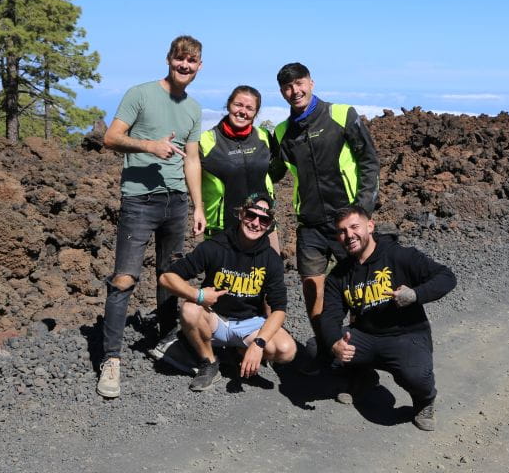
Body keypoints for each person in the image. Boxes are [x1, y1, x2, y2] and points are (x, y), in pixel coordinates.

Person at [97, 35, 206, 399]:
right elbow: (111, 138)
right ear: (169, 59)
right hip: (139, 200)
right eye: (180, 60)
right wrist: (150, 146)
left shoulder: (193, 108)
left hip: (176, 202)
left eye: (191, 62)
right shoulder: (140, 94)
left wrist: (198, 206)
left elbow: (192, 160)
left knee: (170, 276)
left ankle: (166, 342)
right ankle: (111, 359)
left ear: (199, 67)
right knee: (125, 278)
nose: (185, 66)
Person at [272, 62, 380, 371]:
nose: (295, 91)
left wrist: (362, 212)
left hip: (347, 222)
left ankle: (361, 350)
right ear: (282, 92)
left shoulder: (341, 115)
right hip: (310, 224)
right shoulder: (283, 132)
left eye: (300, 83)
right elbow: (271, 172)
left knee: (361, 287)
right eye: (288, 87)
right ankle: (325, 346)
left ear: (312, 82)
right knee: (311, 286)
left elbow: (369, 162)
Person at [321, 205, 456, 431]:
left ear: (370, 226)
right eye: (342, 231)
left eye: (354, 227)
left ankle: (425, 400)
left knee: (416, 376)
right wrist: (335, 342)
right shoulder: (339, 274)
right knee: (319, 346)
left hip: (405, 335)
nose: (349, 235)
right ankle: (363, 375)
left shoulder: (400, 255)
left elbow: (446, 277)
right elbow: (330, 315)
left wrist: (415, 295)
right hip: (366, 336)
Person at [159, 194, 297, 391]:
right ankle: (209, 361)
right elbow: (166, 278)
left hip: (249, 324)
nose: (256, 223)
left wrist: (258, 345)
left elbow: (279, 310)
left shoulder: (270, 259)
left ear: (269, 225)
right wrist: (198, 295)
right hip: (215, 319)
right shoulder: (215, 246)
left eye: (263, 220)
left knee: (286, 350)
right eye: (251, 215)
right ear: (241, 214)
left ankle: (239, 352)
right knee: (190, 309)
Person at [199, 85, 279, 251]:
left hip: (263, 223)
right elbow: (189, 176)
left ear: (256, 113)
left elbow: (277, 169)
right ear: (228, 105)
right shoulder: (206, 141)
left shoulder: (264, 137)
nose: (243, 111)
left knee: (270, 274)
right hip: (222, 228)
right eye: (238, 105)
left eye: (250, 108)